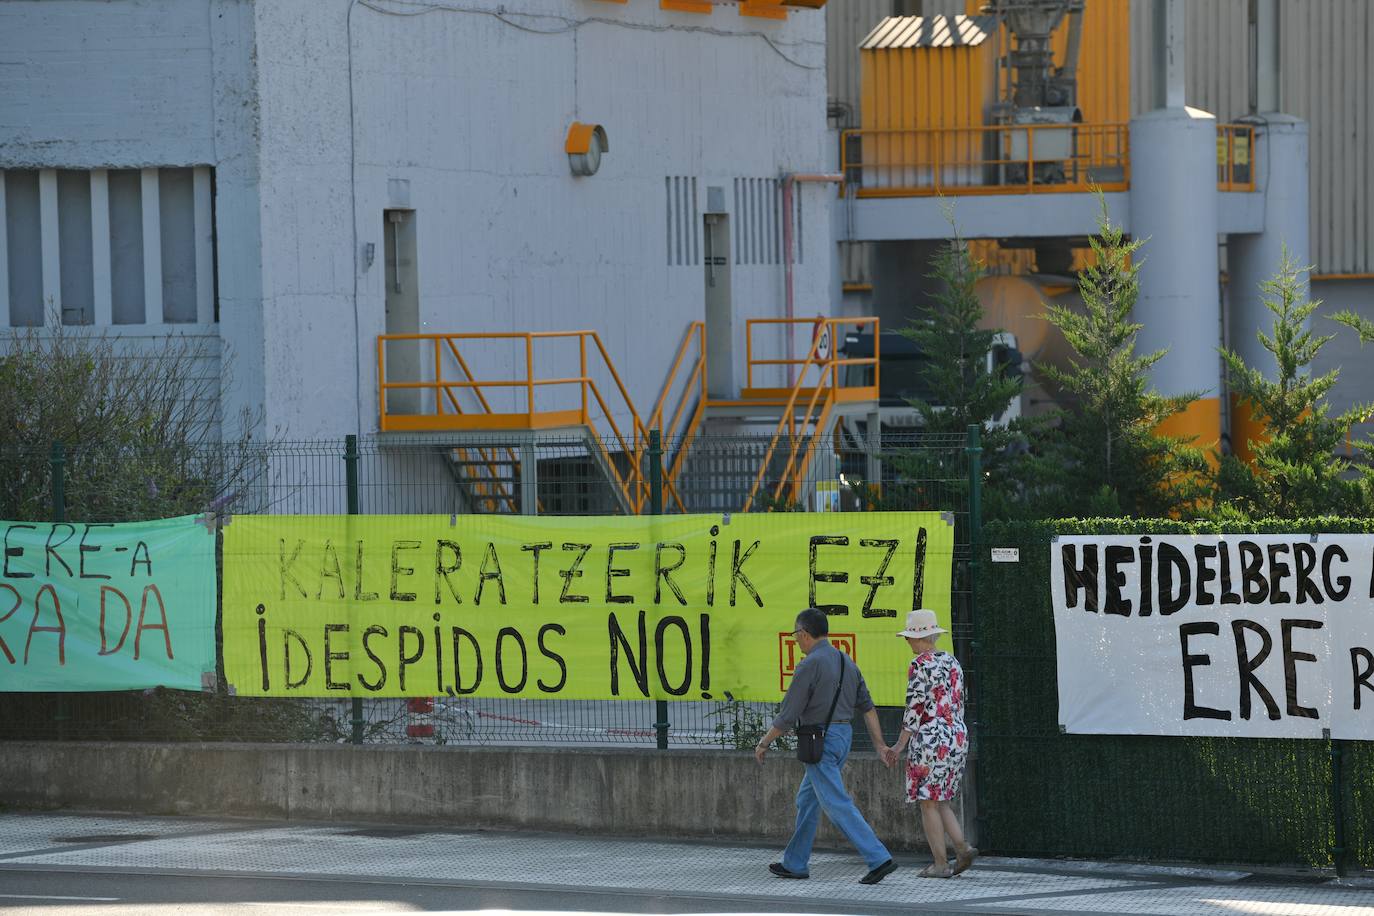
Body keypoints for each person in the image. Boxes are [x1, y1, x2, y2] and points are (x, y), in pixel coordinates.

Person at [754, 607, 898, 885]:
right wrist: (879, 745)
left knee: (835, 802)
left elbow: (788, 714)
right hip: (842, 737)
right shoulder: (846, 662)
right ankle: (795, 863)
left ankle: (878, 857)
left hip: (819, 740)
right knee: (807, 800)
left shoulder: (810, 665)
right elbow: (868, 707)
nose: (796, 639)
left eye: (796, 634)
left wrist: (764, 742)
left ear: (804, 633)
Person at [882, 608, 976, 878]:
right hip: (957, 733)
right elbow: (958, 700)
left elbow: (915, 708)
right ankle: (962, 847)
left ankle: (940, 864)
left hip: (931, 738)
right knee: (941, 798)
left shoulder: (919, 665)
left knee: (928, 802)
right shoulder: (952, 661)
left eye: (909, 636)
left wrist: (899, 745)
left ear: (918, 638)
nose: (907, 641)